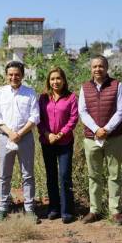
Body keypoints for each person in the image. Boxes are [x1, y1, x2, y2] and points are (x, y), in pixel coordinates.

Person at [78, 55, 122, 225]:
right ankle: (94, 210)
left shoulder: (117, 85)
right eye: (94, 66)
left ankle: (115, 211)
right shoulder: (84, 88)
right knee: (94, 175)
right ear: (90, 69)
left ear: (107, 68)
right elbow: (82, 112)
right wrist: (96, 130)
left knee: (114, 175)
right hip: (92, 139)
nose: (97, 69)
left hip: (113, 137)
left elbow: (121, 111)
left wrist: (106, 129)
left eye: (101, 66)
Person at [0, 61, 41, 223]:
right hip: (5, 138)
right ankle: (3, 208)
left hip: (25, 138)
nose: (14, 77)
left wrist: (19, 133)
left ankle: (29, 209)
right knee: (4, 175)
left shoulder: (30, 93)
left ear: (22, 76)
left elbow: (35, 117)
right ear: (6, 76)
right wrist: (11, 133)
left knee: (28, 174)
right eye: (11, 74)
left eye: (17, 74)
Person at [37, 67, 78, 224]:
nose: (55, 82)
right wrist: (48, 135)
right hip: (47, 142)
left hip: (65, 142)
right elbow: (38, 118)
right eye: (52, 79)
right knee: (51, 175)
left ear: (64, 80)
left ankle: (67, 210)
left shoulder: (71, 97)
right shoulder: (43, 98)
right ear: (49, 81)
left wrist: (60, 134)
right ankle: (53, 208)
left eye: (58, 78)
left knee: (65, 175)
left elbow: (73, 119)